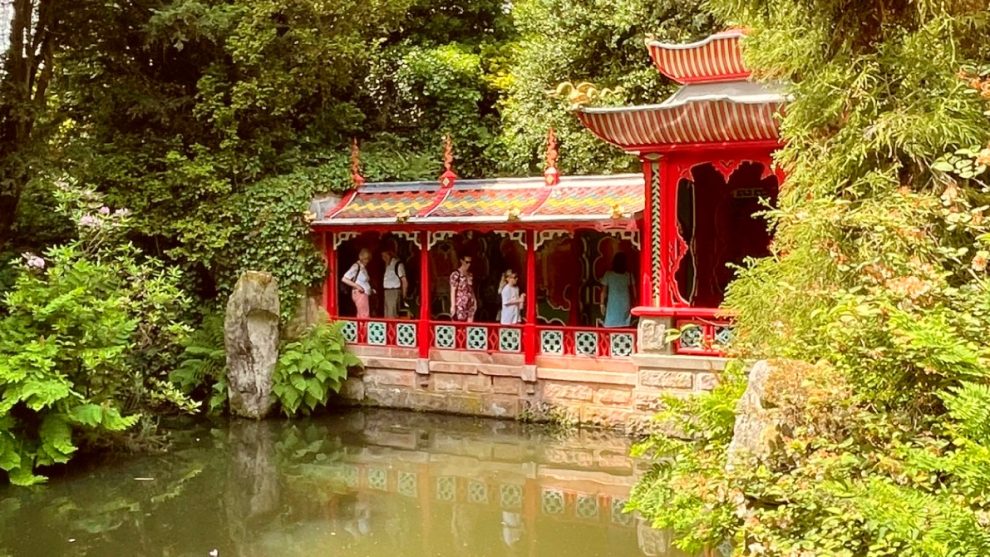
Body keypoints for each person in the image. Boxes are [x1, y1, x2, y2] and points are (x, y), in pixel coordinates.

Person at [601, 252, 634, 327]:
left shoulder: (608, 274)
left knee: (611, 322)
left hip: (613, 302)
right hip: (625, 301)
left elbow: (603, 291)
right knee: (624, 323)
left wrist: (602, 304)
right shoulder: (628, 275)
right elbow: (633, 292)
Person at [342, 248, 373, 318]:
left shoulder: (363, 267)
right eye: (365, 259)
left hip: (364, 293)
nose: (367, 261)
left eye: (368, 259)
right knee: (364, 315)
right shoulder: (356, 266)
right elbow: (344, 279)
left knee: (362, 314)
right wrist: (357, 286)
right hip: (360, 293)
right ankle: (363, 328)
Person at [381, 249, 408, 318]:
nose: (384, 258)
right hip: (387, 292)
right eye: (382, 256)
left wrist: (404, 295)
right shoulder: (387, 265)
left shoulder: (397, 264)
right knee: (387, 314)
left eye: (385, 256)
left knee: (392, 314)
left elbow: (404, 280)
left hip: (393, 291)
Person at [449, 254, 477, 322]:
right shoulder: (456, 274)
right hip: (460, 304)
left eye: (470, 262)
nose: (469, 264)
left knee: (469, 326)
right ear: (462, 261)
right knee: (460, 325)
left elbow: (471, 289)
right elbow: (453, 290)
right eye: (467, 262)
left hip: (470, 303)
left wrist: (475, 301)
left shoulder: (470, 274)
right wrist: (453, 306)